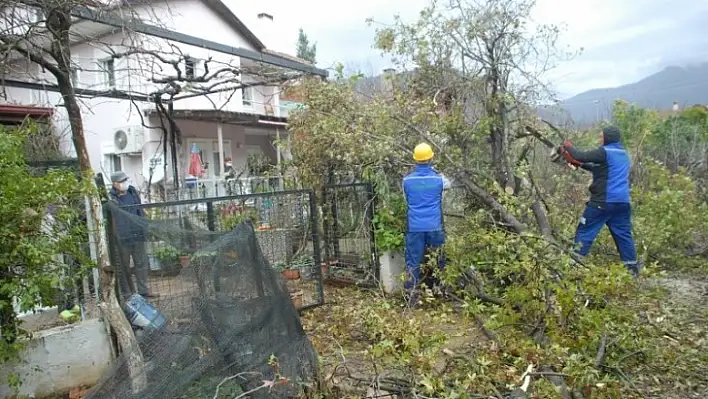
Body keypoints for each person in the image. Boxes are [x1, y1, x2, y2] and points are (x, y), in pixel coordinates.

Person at [558, 126, 640, 277]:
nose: (599, 139)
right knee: (624, 236)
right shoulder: (623, 154)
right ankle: (632, 272)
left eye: (601, 136)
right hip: (622, 204)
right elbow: (600, 170)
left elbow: (581, 155)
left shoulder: (605, 152)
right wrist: (579, 164)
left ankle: (572, 268)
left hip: (603, 203)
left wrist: (568, 147)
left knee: (584, 231)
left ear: (607, 138)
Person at [402, 143, 451, 304]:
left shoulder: (406, 181)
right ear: (431, 158)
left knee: (413, 261)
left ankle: (412, 294)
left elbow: (406, 200)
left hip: (414, 227)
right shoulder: (439, 180)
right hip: (435, 226)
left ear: (415, 160)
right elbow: (448, 186)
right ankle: (440, 290)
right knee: (439, 259)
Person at [109, 171, 157, 299]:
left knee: (141, 264)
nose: (125, 183)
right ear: (115, 184)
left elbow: (139, 210)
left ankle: (143, 291)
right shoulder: (111, 198)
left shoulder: (133, 193)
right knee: (124, 268)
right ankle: (127, 293)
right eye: (122, 181)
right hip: (122, 238)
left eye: (126, 180)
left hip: (138, 235)